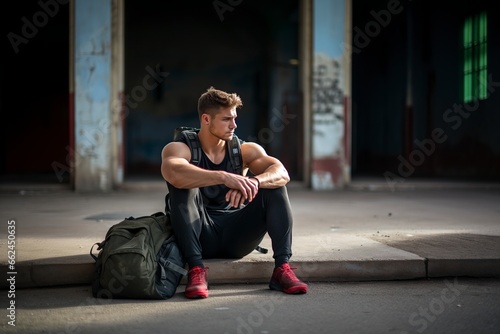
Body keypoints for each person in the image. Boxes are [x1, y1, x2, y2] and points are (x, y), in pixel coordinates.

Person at [160, 87, 308, 299]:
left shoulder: (245, 150)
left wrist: (253, 182)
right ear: (206, 119)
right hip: (199, 234)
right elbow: (172, 171)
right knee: (183, 185)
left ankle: (282, 268)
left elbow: (281, 172)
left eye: (235, 118)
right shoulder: (180, 147)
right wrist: (223, 176)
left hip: (237, 236)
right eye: (226, 119)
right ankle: (196, 269)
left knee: (275, 188)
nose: (234, 125)